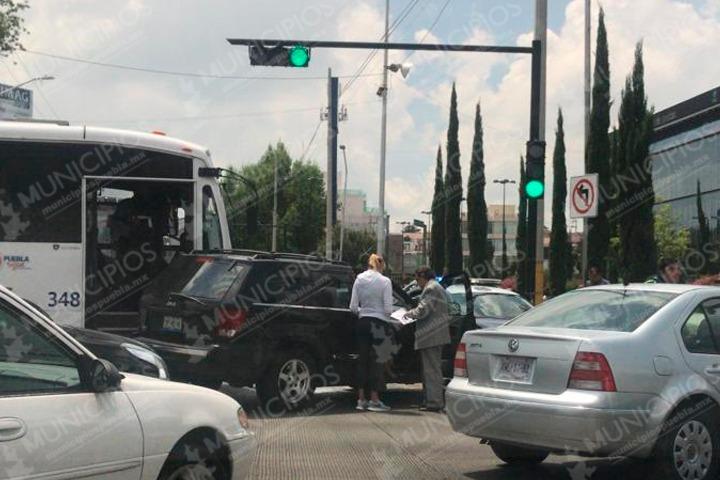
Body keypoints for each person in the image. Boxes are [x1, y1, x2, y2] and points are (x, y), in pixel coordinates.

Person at [349, 253, 393, 412]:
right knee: (377, 362)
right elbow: (388, 309)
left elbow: (353, 307)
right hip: (379, 324)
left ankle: (361, 399)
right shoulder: (385, 281)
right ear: (381, 266)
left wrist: (365, 311)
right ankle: (374, 399)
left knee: (362, 360)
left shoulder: (359, 279)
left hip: (362, 323)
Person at [404, 266, 450, 412]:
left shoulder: (431, 288)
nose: (417, 283)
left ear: (424, 276)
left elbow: (423, 310)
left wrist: (407, 314)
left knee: (431, 371)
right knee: (432, 369)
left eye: (418, 279)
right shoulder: (437, 287)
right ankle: (431, 400)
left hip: (431, 336)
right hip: (435, 335)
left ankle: (434, 402)